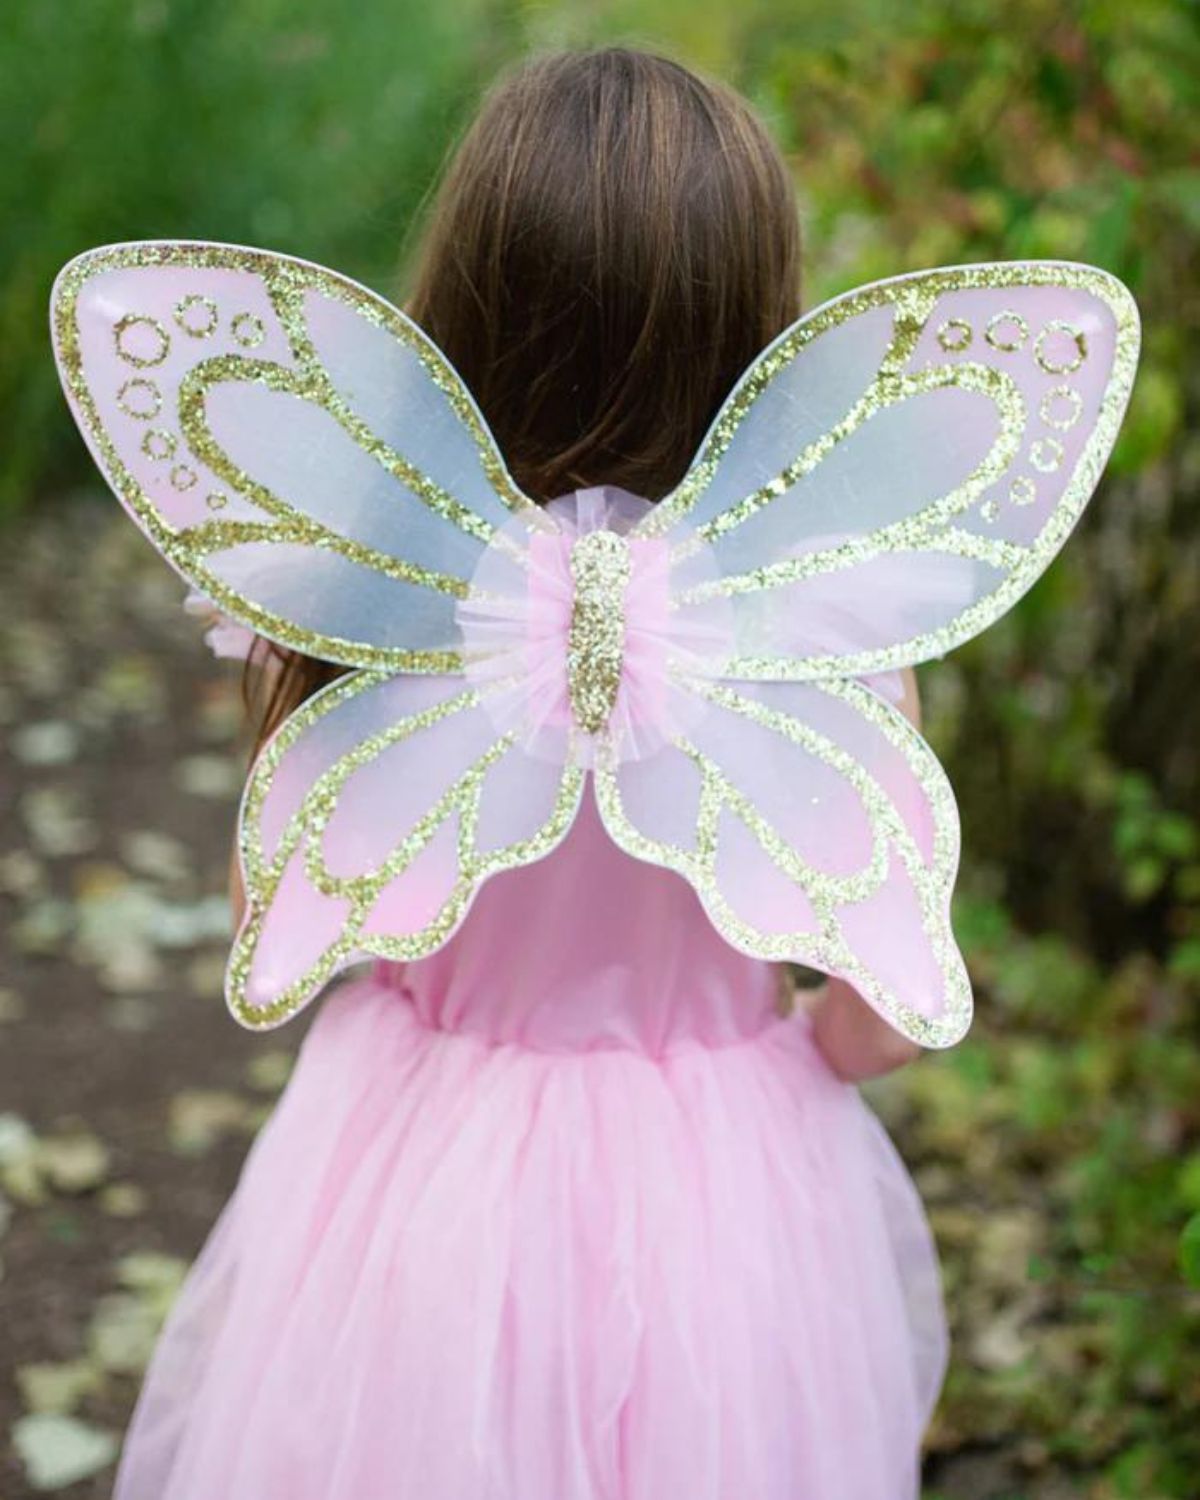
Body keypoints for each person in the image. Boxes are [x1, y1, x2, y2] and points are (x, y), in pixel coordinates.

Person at [113, 46, 947, 1500]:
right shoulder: (820, 621)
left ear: (467, 293)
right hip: (719, 1196)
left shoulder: (365, 586)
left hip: (419, 1172)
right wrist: (786, 1053)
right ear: (757, 316)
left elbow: (275, 918)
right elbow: (884, 1021)